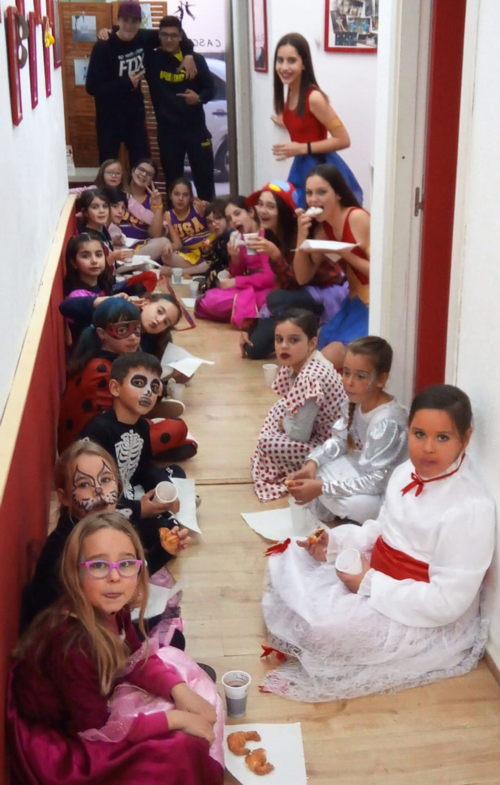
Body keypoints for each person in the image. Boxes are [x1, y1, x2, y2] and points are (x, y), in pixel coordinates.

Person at [261, 384, 495, 703]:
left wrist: (370, 583)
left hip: (417, 608)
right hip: (377, 573)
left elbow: (447, 603)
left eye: (443, 438)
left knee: (322, 628)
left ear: (465, 439)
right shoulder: (404, 473)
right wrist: (334, 544)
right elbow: (381, 530)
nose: (428, 448)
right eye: (419, 434)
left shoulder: (470, 509)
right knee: (290, 553)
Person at [9, 512, 224, 784]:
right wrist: (177, 719)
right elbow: (96, 729)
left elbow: (135, 658)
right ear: (76, 573)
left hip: (90, 701)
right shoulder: (74, 647)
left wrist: (179, 691)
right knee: (178, 748)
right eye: (99, 565)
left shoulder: (111, 606)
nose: (114, 577)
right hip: (67, 740)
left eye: (126, 564)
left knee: (177, 669)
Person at [22, 440, 189, 631]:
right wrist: (129, 597)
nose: (98, 490)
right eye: (84, 484)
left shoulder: (101, 522)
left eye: (105, 479)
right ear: (64, 497)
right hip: (74, 632)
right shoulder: (72, 547)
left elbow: (126, 573)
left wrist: (165, 550)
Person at [287, 336, 408, 524]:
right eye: (346, 372)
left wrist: (323, 488)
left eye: (360, 376)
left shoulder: (388, 421)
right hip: (366, 473)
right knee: (317, 466)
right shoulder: (355, 401)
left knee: (352, 504)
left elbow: (377, 481)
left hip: (387, 491)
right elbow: (339, 441)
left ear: (381, 379)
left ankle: (333, 503)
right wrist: (313, 463)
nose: (349, 382)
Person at [58, 298, 196, 461]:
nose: (133, 338)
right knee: (177, 427)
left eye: (136, 330)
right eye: (123, 330)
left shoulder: (100, 357)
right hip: (90, 449)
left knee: (169, 426)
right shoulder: (105, 371)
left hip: (92, 436)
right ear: (102, 334)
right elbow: (128, 416)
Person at [236, 180, 349, 360]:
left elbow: (297, 281)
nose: (262, 211)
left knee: (275, 298)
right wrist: (248, 325)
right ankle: (297, 328)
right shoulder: (270, 235)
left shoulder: (299, 234)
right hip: (293, 298)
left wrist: (275, 256)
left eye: (271, 206)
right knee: (253, 348)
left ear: (284, 210)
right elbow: (278, 285)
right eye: (260, 204)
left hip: (325, 294)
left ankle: (312, 327)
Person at [251, 309, 346, 501]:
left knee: (266, 442)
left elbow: (300, 435)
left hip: (329, 442)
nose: (284, 346)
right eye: (279, 340)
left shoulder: (310, 377)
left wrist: (284, 423)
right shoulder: (303, 361)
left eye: (294, 340)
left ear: (312, 344)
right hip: (318, 425)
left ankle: (302, 467)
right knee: (278, 408)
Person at [86, 2, 196, 165]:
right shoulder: (103, 47)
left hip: (135, 116)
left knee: (142, 164)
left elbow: (177, 33)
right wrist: (125, 82)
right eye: (125, 20)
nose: (129, 26)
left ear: (140, 23)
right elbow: (92, 87)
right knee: (109, 167)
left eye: (134, 21)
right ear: (118, 20)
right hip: (108, 119)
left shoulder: (144, 38)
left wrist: (188, 54)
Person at [271, 32, 362, 208]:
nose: (284, 67)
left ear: (304, 63)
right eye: (280, 60)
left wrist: (301, 148)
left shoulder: (314, 97)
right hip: (302, 165)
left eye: (292, 61)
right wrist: (285, 122)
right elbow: (306, 121)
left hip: (319, 167)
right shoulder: (291, 91)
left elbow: (343, 139)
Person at [294, 164, 370, 369]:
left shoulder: (357, 218)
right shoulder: (324, 228)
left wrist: (344, 253)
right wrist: (301, 237)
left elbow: (380, 273)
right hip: (353, 302)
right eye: (309, 193)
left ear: (338, 194)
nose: (313, 199)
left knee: (323, 361)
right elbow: (302, 277)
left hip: (373, 304)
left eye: (321, 192)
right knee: (308, 355)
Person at [81, 353, 186, 501]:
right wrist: (140, 509)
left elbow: (143, 468)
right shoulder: (99, 430)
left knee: (176, 473)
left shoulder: (142, 426)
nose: (148, 392)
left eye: (154, 387)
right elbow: (92, 491)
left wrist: (164, 488)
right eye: (138, 383)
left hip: (131, 489)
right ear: (115, 388)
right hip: (105, 502)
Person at [146, 15, 216, 201]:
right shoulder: (151, 59)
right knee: (173, 184)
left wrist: (198, 98)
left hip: (196, 131)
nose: (169, 39)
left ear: (181, 36)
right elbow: (135, 36)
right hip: (168, 133)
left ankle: (210, 218)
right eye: (164, 35)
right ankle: (175, 219)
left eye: (174, 35)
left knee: (205, 183)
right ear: (159, 36)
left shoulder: (196, 60)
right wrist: (110, 32)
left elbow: (211, 89)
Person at [59, 234, 158, 345]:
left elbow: (148, 278)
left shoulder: (104, 285)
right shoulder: (77, 295)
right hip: (92, 350)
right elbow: (66, 306)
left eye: (99, 255)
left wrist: (130, 302)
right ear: (74, 262)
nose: (94, 261)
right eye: (85, 256)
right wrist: (115, 303)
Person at [194, 194, 276, 327]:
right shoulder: (240, 237)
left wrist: (236, 282)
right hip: (249, 286)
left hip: (267, 288)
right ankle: (243, 312)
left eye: (237, 214)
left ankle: (250, 313)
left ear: (250, 212)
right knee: (209, 298)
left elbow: (269, 277)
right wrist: (235, 259)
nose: (234, 221)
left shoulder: (265, 236)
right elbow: (236, 273)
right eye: (229, 218)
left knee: (216, 301)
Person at [120, 159, 174, 262]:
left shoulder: (152, 199)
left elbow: (156, 235)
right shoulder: (118, 193)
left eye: (149, 174)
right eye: (141, 170)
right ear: (133, 171)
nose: (144, 175)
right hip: (117, 244)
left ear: (152, 181)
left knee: (163, 242)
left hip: (140, 248)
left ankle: (124, 265)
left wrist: (158, 206)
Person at [162, 178, 213, 276]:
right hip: (191, 254)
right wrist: (170, 246)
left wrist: (209, 208)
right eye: (176, 194)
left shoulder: (197, 206)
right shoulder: (168, 215)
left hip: (209, 248)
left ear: (190, 197)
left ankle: (181, 271)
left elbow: (217, 222)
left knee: (213, 259)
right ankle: (200, 269)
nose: (180, 198)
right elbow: (178, 244)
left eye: (185, 195)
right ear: (170, 196)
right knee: (166, 257)